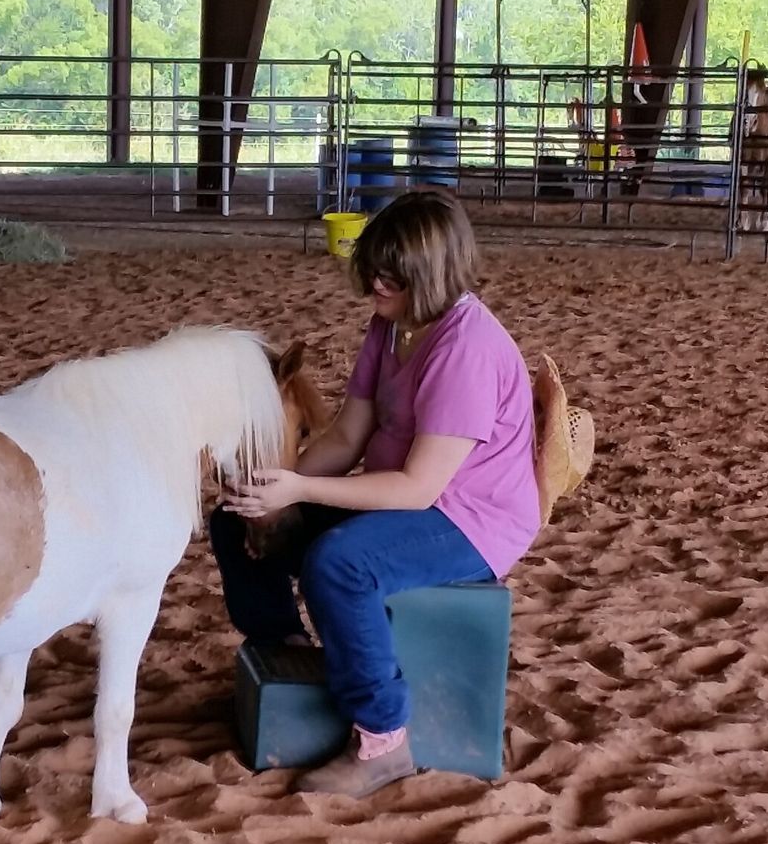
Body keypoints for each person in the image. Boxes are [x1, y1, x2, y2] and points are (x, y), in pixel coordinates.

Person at [211, 189, 541, 799]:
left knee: (341, 563)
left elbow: (419, 489)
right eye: (375, 270)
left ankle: (385, 739)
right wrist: (279, 490)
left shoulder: (466, 348)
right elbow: (347, 434)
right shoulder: (393, 325)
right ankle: (289, 654)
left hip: (469, 518)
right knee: (238, 519)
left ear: (430, 272)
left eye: (392, 275)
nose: (376, 285)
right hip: (412, 495)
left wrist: (303, 486)